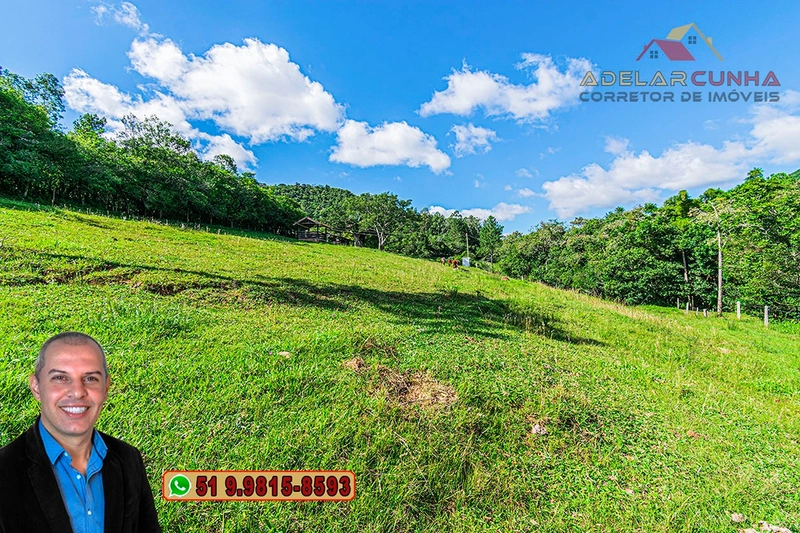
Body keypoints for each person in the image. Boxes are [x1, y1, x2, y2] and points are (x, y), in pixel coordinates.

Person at [0, 332, 161, 533]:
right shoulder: (4, 472)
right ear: (36, 387)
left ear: (106, 387)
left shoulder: (129, 459)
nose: (77, 392)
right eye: (60, 378)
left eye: (90, 378)